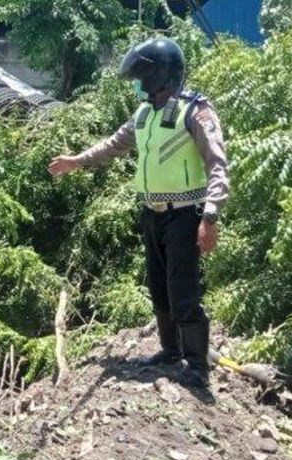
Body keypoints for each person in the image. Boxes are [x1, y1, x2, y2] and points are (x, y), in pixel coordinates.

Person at [48, 38, 229, 387]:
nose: (137, 83)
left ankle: (196, 366)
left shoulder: (195, 112)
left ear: (159, 75)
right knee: (159, 286)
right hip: (153, 213)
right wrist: (77, 161)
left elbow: (218, 166)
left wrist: (210, 217)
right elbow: (114, 145)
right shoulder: (144, 114)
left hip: (185, 214)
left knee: (183, 289)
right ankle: (169, 350)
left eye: (141, 76)